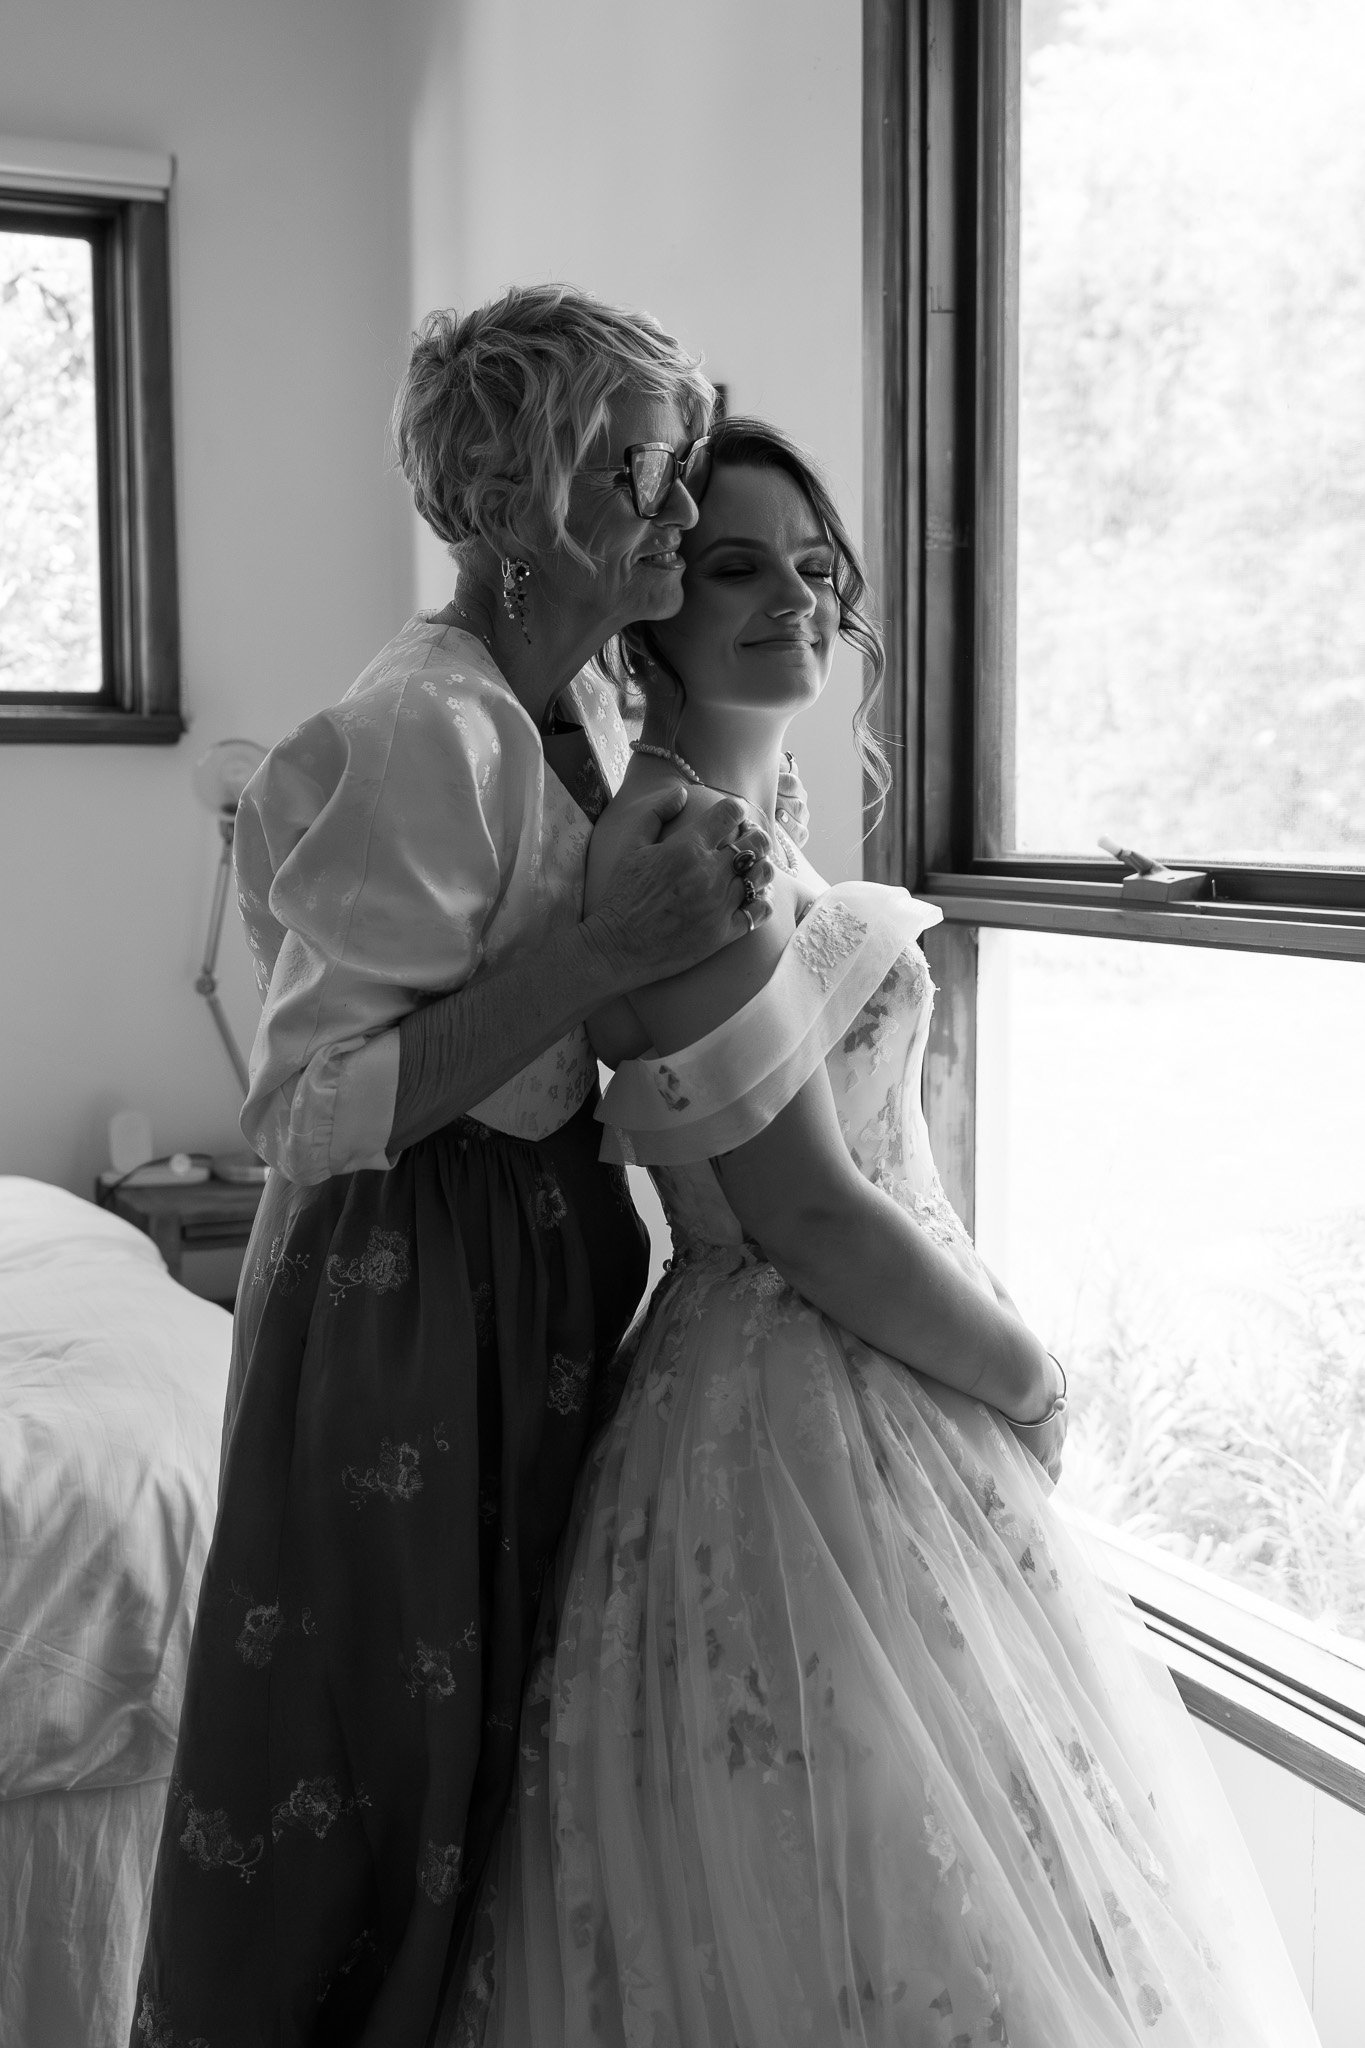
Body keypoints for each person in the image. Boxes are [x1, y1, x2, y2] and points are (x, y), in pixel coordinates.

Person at [444, 418, 1322, 2046]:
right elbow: (808, 1214)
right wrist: (1031, 1376)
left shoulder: (726, 821)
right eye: (733, 566)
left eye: (814, 569)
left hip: (826, 1376)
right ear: (649, 608)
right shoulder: (688, 851)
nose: (792, 597)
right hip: (799, 1398)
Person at [131, 288, 801, 2047]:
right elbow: (311, 1108)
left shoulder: (565, 699)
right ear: (518, 502)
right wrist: (600, 952)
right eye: (647, 469)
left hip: (526, 1266)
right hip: (407, 1293)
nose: (679, 508)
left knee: (488, 1750)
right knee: (377, 1771)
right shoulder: (421, 730)